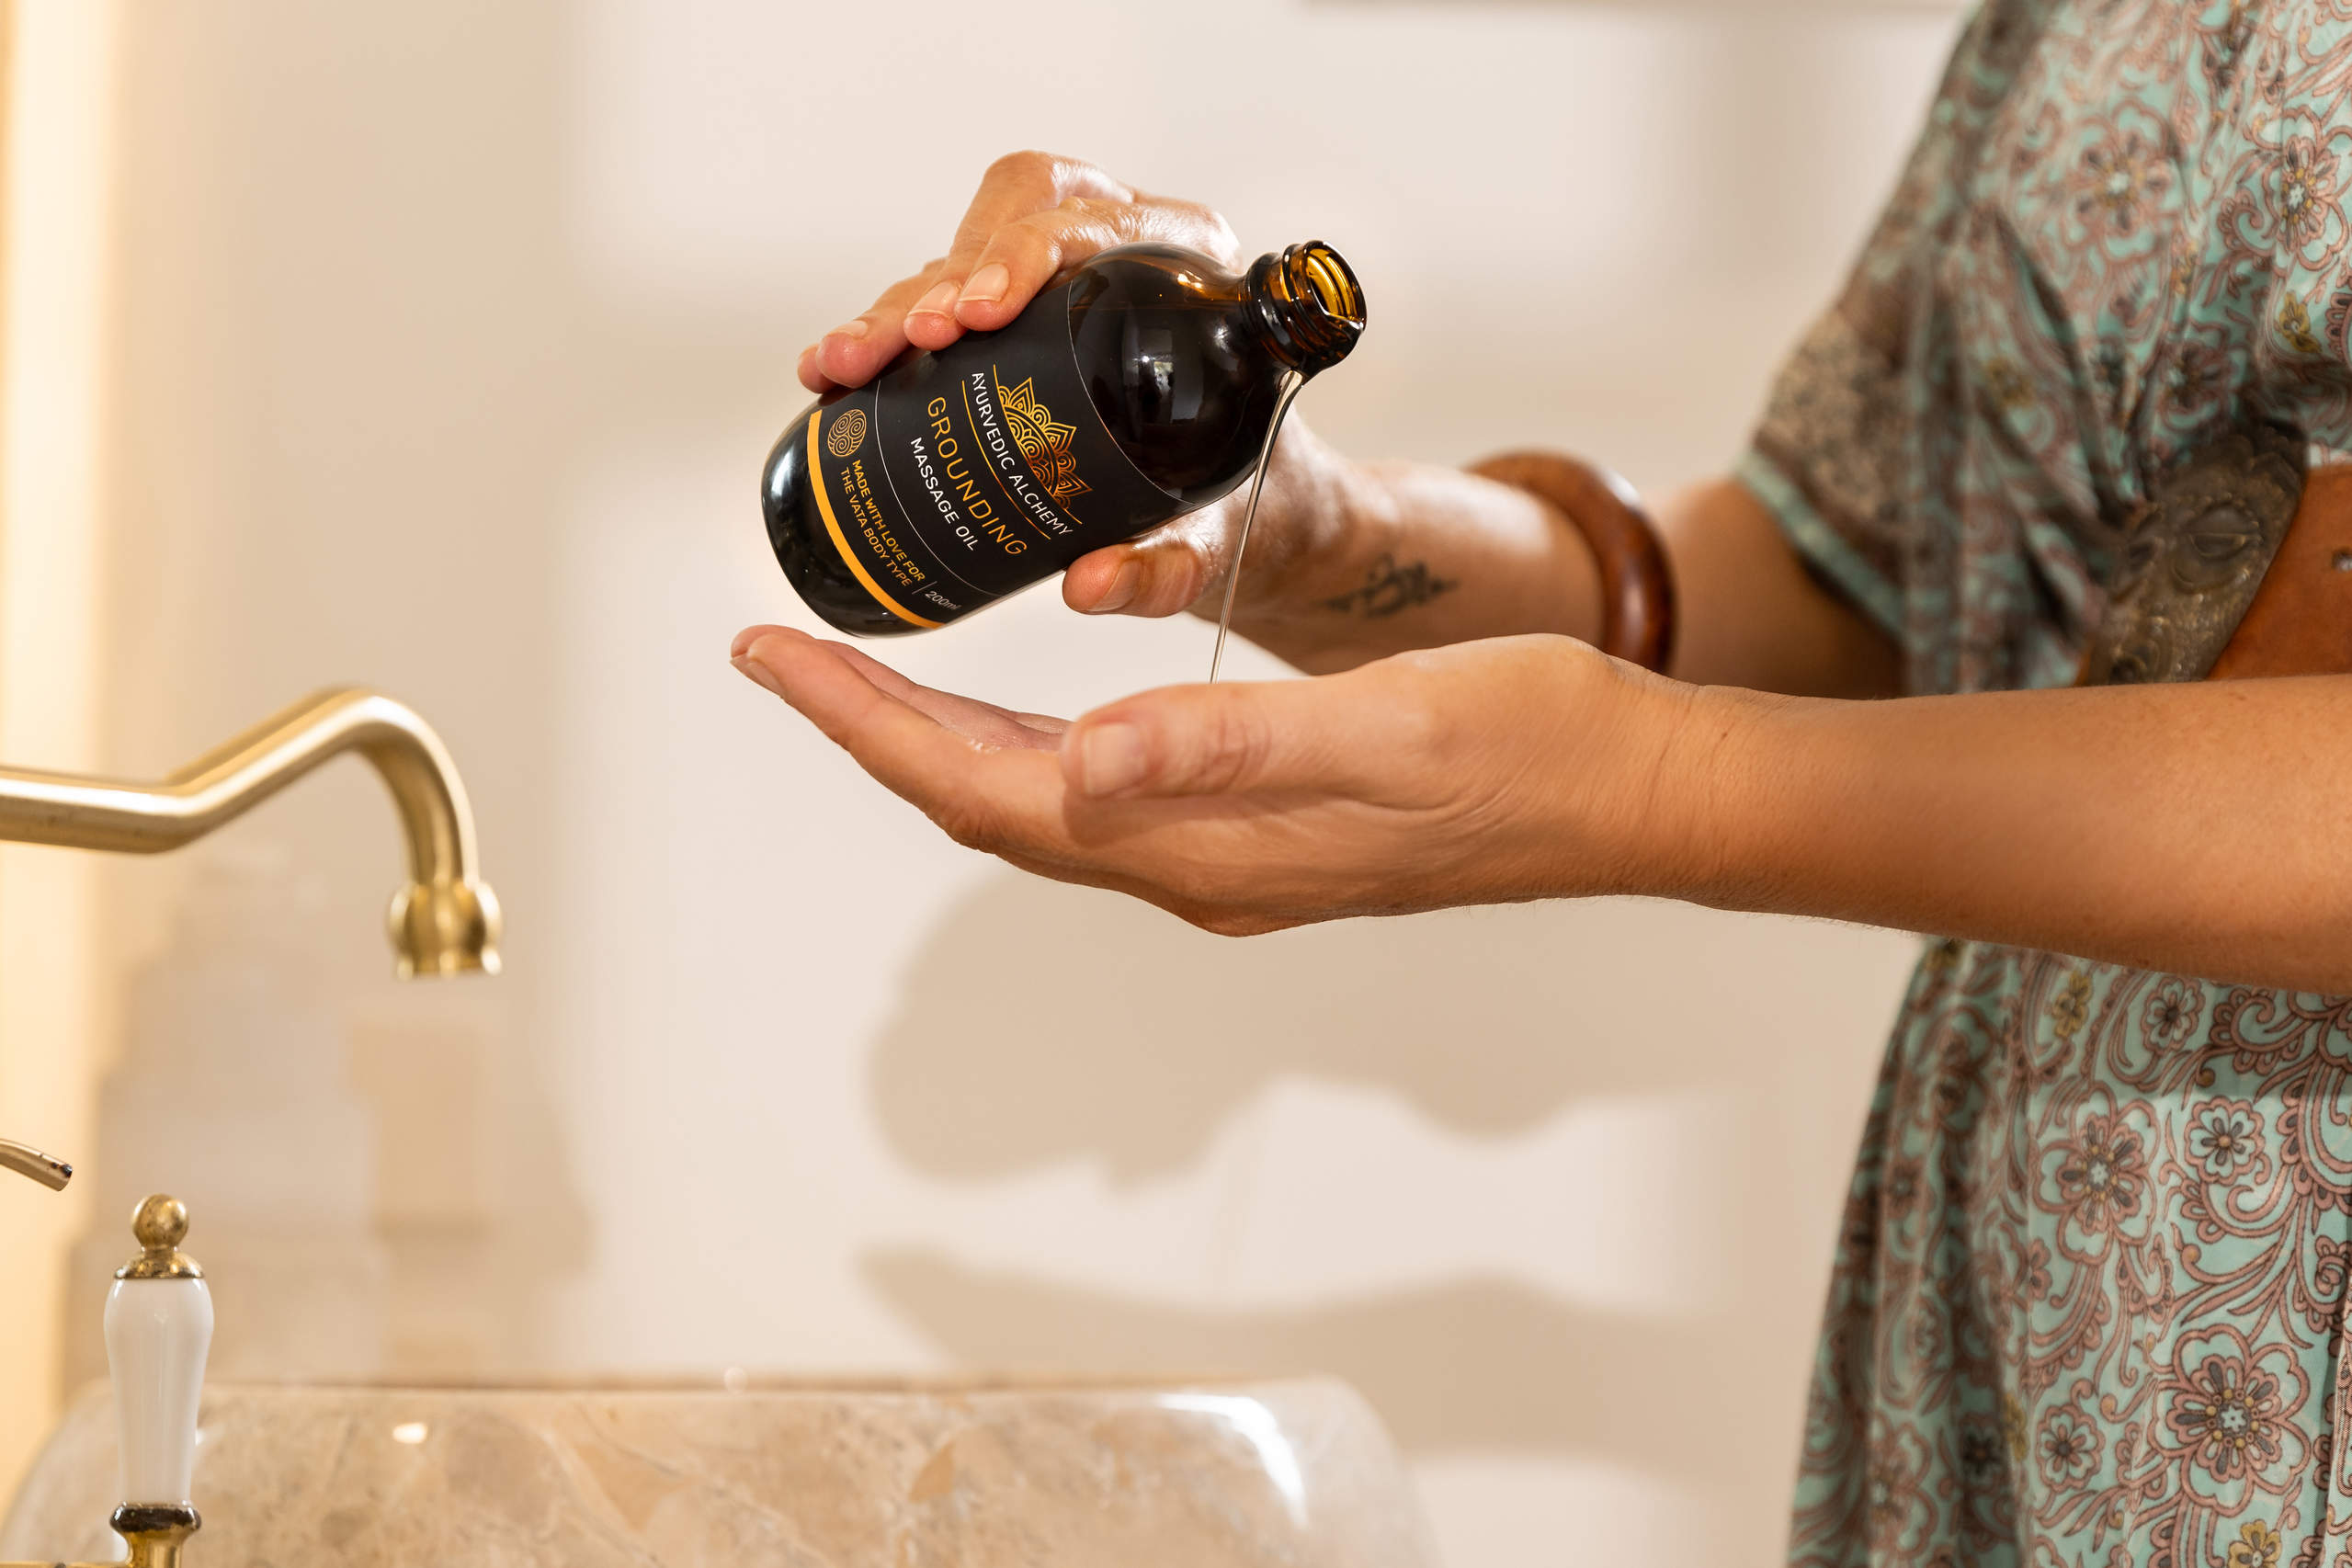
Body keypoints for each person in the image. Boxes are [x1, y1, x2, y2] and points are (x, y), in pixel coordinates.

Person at [730, 5, 2352, 1562]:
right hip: (2039, 1353)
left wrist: (1654, 783)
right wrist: (1319, 538)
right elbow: (1837, 567)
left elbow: (1687, 734)